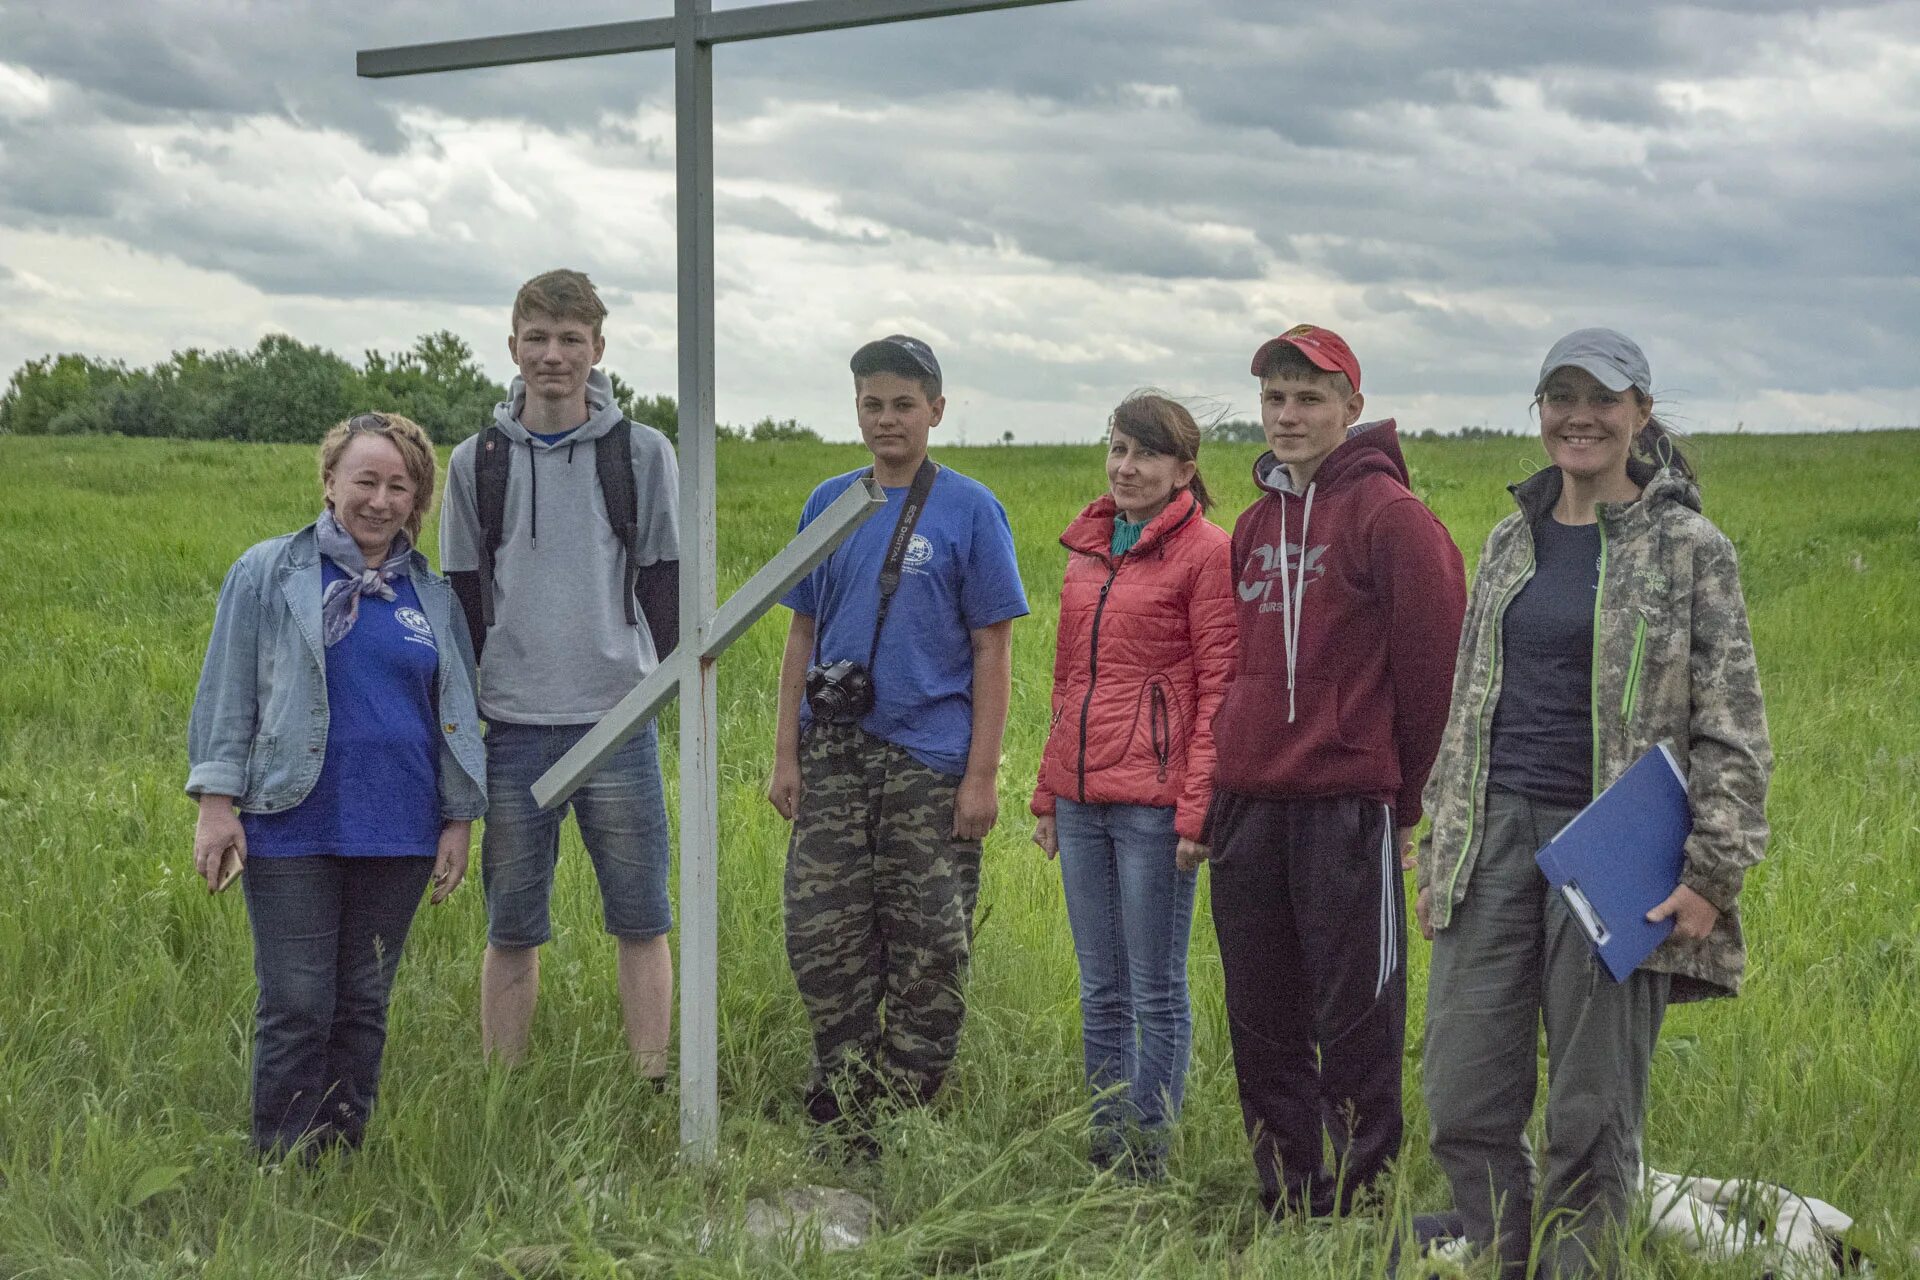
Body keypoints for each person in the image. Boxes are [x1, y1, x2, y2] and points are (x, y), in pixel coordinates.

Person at [1415, 328, 1772, 1277]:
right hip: (1493, 835)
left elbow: (1731, 723)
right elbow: (1468, 704)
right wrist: (1438, 837)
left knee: (1591, 1104)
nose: (1579, 415)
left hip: (1617, 851)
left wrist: (1711, 873)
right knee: (1460, 1087)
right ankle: (1502, 1252)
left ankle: (1579, 1267)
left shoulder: (1690, 547)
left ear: (1639, 414)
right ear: (1538, 411)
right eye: (1560, 396)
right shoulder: (1508, 540)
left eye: (1602, 399)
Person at [1204, 325, 1467, 1216]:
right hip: (1248, 804)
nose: (1288, 415)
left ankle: (1361, 1204)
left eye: (1310, 398)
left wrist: (1404, 800)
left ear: (1351, 407)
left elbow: (1435, 671)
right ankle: (1286, 1194)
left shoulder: (1391, 517)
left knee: (1356, 1020)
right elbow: (1238, 664)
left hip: (1345, 806)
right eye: (1275, 398)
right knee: (1262, 1016)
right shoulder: (1252, 522)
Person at [186, 411, 485, 1157]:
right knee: (296, 1001)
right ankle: (280, 1162)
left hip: (401, 830)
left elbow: (455, 711)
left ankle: (340, 1154)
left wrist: (459, 819)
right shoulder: (269, 572)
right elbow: (228, 692)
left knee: (362, 1004)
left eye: (399, 487)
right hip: (292, 823)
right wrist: (216, 805)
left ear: (417, 502)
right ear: (329, 482)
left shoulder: (433, 596)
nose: (381, 500)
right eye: (366, 481)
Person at [767, 334, 1028, 1140]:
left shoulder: (970, 509)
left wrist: (980, 776)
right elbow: (801, 635)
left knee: (928, 945)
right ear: (856, 409)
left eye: (904, 405)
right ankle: (841, 1094)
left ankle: (902, 1107)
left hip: (929, 760)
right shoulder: (830, 503)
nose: (888, 420)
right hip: (835, 755)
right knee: (823, 932)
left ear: (936, 411)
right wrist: (786, 752)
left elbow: (994, 648)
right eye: (872, 404)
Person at [440, 269, 681, 1077]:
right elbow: (462, 597)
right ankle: (500, 1088)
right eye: (537, 339)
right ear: (512, 348)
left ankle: (651, 1081)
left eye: (571, 340)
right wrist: (459, 721)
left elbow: (664, 581)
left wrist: (662, 691)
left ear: (598, 349)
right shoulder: (476, 463)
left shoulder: (643, 454)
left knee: (642, 917)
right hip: (510, 726)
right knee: (510, 925)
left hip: (618, 719)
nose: (553, 356)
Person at [1028, 392, 1236, 1179]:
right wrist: (1049, 794)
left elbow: (1219, 686)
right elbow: (1067, 681)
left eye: (1145, 453)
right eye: (1117, 449)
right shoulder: (1088, 550)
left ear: (1184, 470)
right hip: (1082, 800)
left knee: (1154, 989)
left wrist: (1198, 810)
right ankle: (1103, 1148)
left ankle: (1145, 1157)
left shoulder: (1207, 552)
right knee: (1100, 987)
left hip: (1154, 807)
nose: (1126, 466)